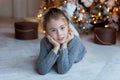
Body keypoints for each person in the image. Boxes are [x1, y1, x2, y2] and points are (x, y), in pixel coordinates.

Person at [37, 8, 86, 75]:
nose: (59, 33)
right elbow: (42, 70)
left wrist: (64, 45)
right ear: (47, 32)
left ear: (68, 27)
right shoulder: (44, 42)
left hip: (78, 52)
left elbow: (62, 70)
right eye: (53, 30)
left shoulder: (74, 42)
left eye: (62, 28)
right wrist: (56, 47)